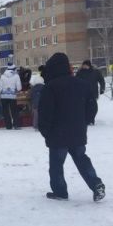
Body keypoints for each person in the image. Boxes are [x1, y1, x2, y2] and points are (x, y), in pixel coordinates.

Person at [39, 53, 105, 202]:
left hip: (57, 133)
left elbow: (45, 112)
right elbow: (92, 107)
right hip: (78, 131)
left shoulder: (51, 87)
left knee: (56, 164)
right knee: (82, 159)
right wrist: (85, 121)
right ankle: (96, 184)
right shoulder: (82, 84)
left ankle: (60, 191)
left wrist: (46, 131)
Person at [76, 60, 106, 125]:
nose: (84, 66)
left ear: (89, 65)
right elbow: (75, 82)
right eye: (83, 65)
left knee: (93, 108)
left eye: (86, 65)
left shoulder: (95, 72)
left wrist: (102, 88)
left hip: (93, 93)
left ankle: (91, 119)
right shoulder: (79, 72)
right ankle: (86, 120)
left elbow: (101, 80)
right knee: (84, 108)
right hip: (82, 93)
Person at [0, 63, 22, 129]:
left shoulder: (2, 76)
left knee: (5, 111)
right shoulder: (16, 76)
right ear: (14, 69)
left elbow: (0, 87)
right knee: (14, 111)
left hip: (3, 96)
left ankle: (8, 126)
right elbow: (19, 88)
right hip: (12, 96)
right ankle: (16, 125)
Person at [30, 66, 45, 131]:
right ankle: (42, 125)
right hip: (42, 103)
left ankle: (35, 126)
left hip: (35, 103)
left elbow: (31, 96)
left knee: (36, 114)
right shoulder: (44, 88)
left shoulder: (33, 89)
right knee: (43, 114)